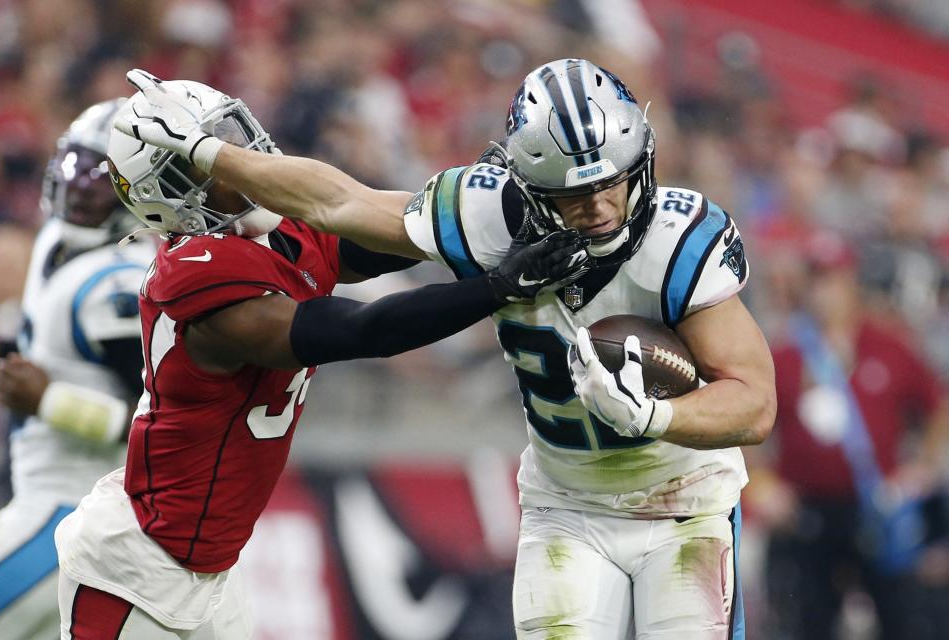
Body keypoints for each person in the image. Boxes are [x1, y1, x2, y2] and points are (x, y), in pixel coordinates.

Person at [115, 60, 776, 639]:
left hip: (683, 500)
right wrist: (210, 155)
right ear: (530, 186)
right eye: (574, 195)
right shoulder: (487, 214)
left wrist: (658, 418)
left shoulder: (676, 235)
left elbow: (754, 402)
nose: (602, 208)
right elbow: (340, 202)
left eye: (615, 182)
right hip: (566, 504)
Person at [54, 77, 588, 639]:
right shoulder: (195, 276)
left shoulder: (274, 233)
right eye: (209, 160)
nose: (241, 161)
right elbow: (361, 330)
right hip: (140, 570)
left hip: (213, 570)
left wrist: (471, 216)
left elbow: (375, 239)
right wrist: (496, 287)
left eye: (230, 138)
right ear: (174, 197)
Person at [0, 99, 154, 640]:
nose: (82, 185)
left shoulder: (124, 281)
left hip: (75, 515)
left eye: (103, 177)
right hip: (41, 500)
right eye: (77, 165)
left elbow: (159, 423)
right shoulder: (60, 245)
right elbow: (62, 351)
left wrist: (50, 402)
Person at [758, 231, 949, 640]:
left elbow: (937, 405)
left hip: (877, 508)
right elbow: (746, 427)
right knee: (804, 623)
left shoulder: (887, 346)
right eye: (815, 280)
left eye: (832, 279)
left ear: (851, 282)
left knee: (906, 620)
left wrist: (923, 467)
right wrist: (761, 484)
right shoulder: (785, 355)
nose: (823, 292)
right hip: (807, 514)